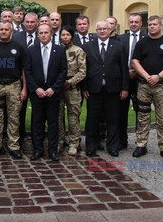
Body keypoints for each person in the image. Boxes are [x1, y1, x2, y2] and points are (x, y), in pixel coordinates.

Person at [131, 15, 163, 160]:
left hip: (161, 86)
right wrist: (147, 76)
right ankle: (141, 145)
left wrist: (158, 76)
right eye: (150, 24)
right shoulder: (142, 43)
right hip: (144, 86)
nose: (152, 27)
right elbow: (135, 61)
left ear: (160, 26)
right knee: (142, 116)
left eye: (155, 24)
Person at [82, 20, 128, 157]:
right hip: (93, 89)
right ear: (96, 31)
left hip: (113, 89)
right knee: (92, 119)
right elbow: (84, 69)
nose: (102, 31)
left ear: (110, 30)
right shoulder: (88, 46)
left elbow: (124, 68)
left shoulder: (119, 46)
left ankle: (112, 146)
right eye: (99, 29)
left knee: (113, 119)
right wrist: (84, 87)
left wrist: (125, 88)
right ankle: (91, 145)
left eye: (105, 29)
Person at [25, 24, 67, 161]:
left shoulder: (59, 50)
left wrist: (53, 88)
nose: (43, 35)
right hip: (37, 93)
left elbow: (63, 71)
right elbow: (28, 72)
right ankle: (37, 150)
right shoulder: (31, 50)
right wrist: (36, 88)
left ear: (51, 34)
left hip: (53, 94)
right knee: (37, 122)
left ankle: (53, 150)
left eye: (46, 32)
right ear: (38, 35)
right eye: (41, 33)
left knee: (53, 123)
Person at [0, 21, 27, 159]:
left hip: (14, 85)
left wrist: (24, 89)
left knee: (14, 117)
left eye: (6, 29)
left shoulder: (19, 47)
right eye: (1, 29)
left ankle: (13, 146)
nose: (3, 31)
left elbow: (24, 70)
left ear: (11, 31)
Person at [117, 13, 146, 150]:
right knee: (121, 112)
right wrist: (126, 72)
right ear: (128, 23)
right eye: (131, 22)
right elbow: (116, 60)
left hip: (141, 81)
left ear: (141, 23)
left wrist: (138, 71)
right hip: (124, 80)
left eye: (137, 22)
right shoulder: (120, 39)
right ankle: (122, 140)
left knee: (141, 112)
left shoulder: (146, 39)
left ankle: (141, 142)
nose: (134, 24)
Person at [12, 12, 40, 147]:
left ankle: (36, 142)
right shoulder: (16, 37)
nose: (29, 24)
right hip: (20, 80)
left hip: (38, 82)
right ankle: (20, 141)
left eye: (32, 22)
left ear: (37, 23)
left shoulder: (43, 37)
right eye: (27, 22)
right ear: (24, 23)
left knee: (37, 113)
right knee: (19, 112)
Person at [58, 26, 86, 155]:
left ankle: (74, 143)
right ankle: (60, 141)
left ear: (72, 36)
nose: (65, 37)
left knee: (73, 116)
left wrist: (70, 82)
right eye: (62, 35)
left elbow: (82, 71)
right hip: (58, 87)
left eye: (67, 35)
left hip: (72, 88)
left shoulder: (78, 51)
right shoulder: (56, 50)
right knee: (58, 116)